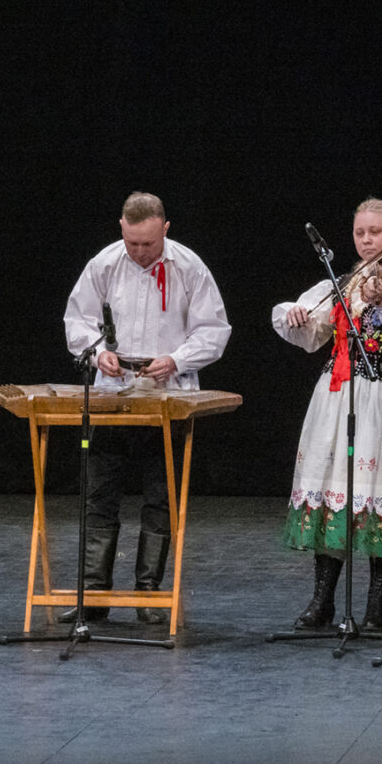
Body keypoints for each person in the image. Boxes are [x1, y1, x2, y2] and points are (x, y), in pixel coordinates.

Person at [273, 199, 382, 631]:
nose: (366, 240)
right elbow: (313, 334)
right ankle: (322, 601)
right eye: (359, 233)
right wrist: (296, 316)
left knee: (379, 489)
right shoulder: (345, 282)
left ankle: (376, 607)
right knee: (336, 488)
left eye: (375, 232)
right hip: (341, 396)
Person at [62, 192, 230, 623]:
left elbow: (213, 331)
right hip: (113, 396)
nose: (140, 252)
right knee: (99, 496)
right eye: (132, 242)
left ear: (165, 230)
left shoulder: (189, 267)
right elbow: (77, 321)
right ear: (122, 228)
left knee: (160, 498)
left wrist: (176, 359)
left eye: (149, 244)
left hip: (167, 396)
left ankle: (149, 594)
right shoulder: (103, 264)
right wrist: (98, 353)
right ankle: (93, 594)